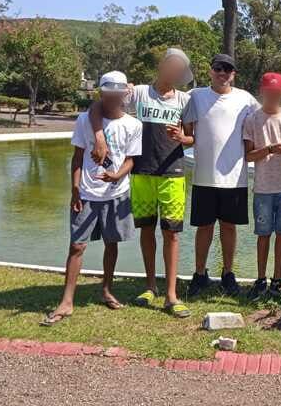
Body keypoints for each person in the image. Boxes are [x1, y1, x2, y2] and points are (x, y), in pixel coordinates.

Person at [90, 48, 193, 318]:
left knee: (171, 233)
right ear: (161, 66)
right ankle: (150, 287)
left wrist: (182, 138)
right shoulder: (138, 92)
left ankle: (171, 295)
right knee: (146, 230)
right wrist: (99, 136)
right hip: (141, 172)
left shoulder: (185, 100)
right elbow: (100, 105)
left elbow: (192, 137)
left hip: (172, 172)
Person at [41, 71, 142, 326]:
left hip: (116, 193)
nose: (112, 99)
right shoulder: (85, 120)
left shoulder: (133, 125)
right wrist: (75, 189)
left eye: (117, 94)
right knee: (77, 246)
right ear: (101, 94)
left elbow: (130, 160)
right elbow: (77, 157)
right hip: (86, 193)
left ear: (124, 95)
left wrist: (117, 175)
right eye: (107, 94)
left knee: (112, 243)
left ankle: (107, 289)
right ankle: (67, 301)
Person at [182, 54, 260, 297]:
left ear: (233, 74)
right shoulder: (195, 96)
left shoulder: (246, 99)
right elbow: (174, 108)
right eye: (218, 68)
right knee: (204, 227)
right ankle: (199, 274)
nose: (222, 73)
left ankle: (228, 273)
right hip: (203, 176)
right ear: (210, 71)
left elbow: (266, 117)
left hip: (234, 177)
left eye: (228, 69)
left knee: (229, 227)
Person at [242, 72, 281, 300]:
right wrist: (269, 149)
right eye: (269, 91)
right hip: (263, 188)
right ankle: (260, 279)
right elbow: (248, 156)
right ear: (262, 91)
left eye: (276, 92)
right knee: (263, 235)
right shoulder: (252, 120)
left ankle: (277, 280)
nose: (272, 95)